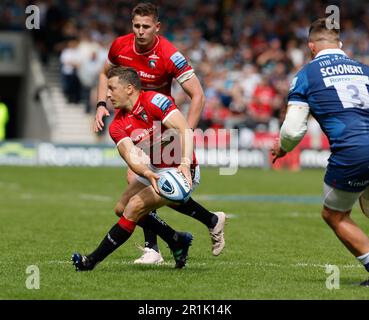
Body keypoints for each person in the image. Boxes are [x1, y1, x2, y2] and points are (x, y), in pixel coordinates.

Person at [94, 2, 226, 264]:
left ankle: (158, 247)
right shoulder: (120, 45)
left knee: (150, 190)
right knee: (141, 182)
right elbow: (103, 72)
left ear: (157, 27)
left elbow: (197, 95)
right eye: (136, 26)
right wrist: (100, 105)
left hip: (162, 126)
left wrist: (184, 133)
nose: (140, 31)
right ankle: (201, 224)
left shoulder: (169, 54)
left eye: (146, 26)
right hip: (135, 122)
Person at [72, 66, 201, 271]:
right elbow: (131, 157)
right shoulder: (117, 125)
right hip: (155, 168)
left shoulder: (155, 101)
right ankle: (176, 239)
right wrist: (147, 173)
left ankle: (90, 261)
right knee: (121, 208)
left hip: (180, 169)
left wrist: (185, 163)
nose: (107, 94)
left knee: (133, 208)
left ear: (129, 89)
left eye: (112, 88)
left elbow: (184, 128)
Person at [271, 18, 369, 286]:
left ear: (311, 47)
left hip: (353, 150)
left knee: (334, 214)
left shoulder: (307, 75)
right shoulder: (365, 69)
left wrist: (282, 148)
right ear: (341, 44)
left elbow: (292, 130)